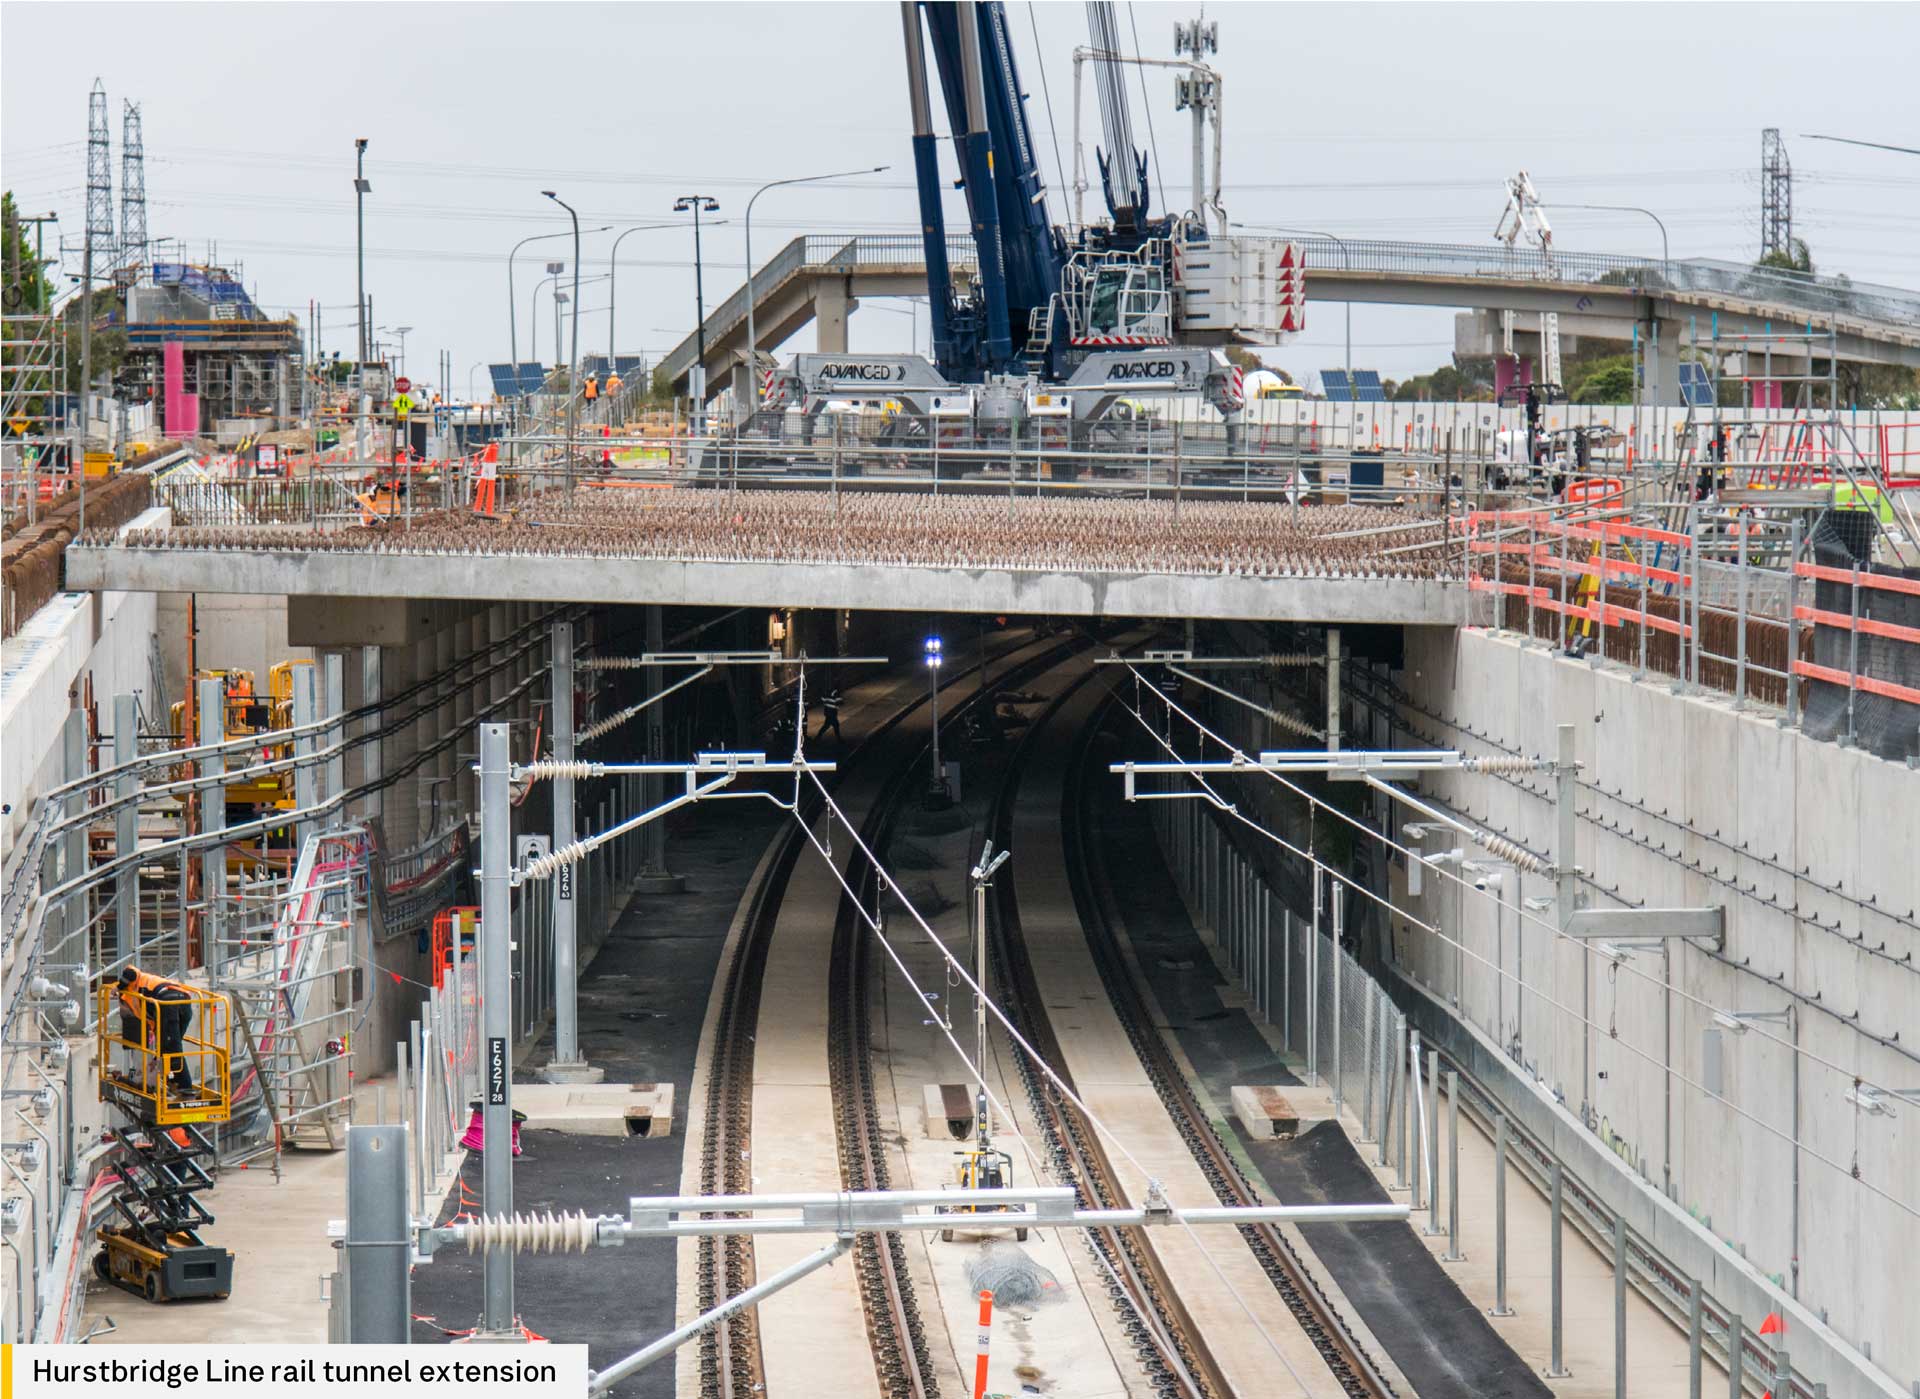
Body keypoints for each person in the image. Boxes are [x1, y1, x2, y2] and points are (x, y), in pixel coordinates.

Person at [116, 966, 196, 1096]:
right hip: (183, 1000)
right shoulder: (139, 1002)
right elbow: (158, 1031)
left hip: (167, 1000)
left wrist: (118, 987)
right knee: (170, 1045)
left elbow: (131, 972)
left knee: (172, 1048)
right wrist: (156, 1056)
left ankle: (185, 1087)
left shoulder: (133, 988)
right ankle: (174, 1082)